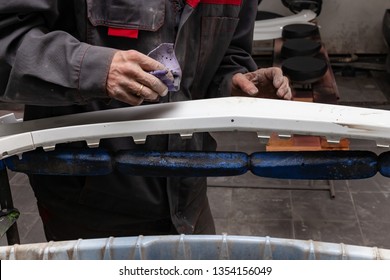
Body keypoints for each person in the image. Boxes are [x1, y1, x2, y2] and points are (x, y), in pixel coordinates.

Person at [0, 0, 291, 241]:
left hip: (188, 197)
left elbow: (226, 54)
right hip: (90, 201)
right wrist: (95, 69)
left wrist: (234, 83)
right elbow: (8, 40)